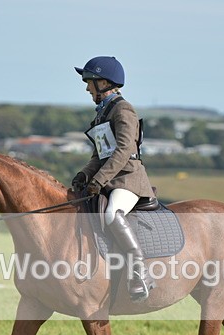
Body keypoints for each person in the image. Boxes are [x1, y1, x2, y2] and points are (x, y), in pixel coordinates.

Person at [71, 56, 156, 302]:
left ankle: (140, 273)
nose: (87, 88)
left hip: (128, 180)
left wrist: (98, 180)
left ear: (105, 82)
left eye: (90, 82)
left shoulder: (123, 109)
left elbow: (123, 150)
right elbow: (100, 154)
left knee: (112, 213)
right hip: (110, 179)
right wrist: (85, 174)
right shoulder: (102, 113)